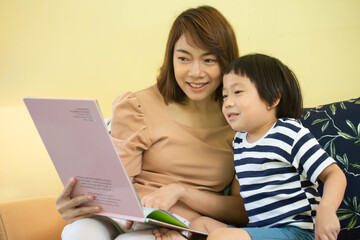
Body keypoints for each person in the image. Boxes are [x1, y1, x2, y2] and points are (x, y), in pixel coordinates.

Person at [56, 6, 248, 240]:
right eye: (183, 58)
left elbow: (241, 211)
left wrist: (181, 192)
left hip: (179, 227)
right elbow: (116, 181)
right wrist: (78, 203)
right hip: (124, 216)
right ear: (171, 59)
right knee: (77, 232)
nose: (195, 72)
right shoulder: (137, 105)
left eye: (209, 60)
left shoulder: (240, 121)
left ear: (227, 62)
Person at [188, 54, 347, 240]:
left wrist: (326, 211)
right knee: (198, 225)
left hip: (298, 233)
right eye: (225, 95)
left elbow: (334, 174)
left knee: (222, 237)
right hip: (260, 231)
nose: (228, 103)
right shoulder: (239, 142)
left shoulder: (288, 132)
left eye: (237, 92)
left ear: (272, 99)